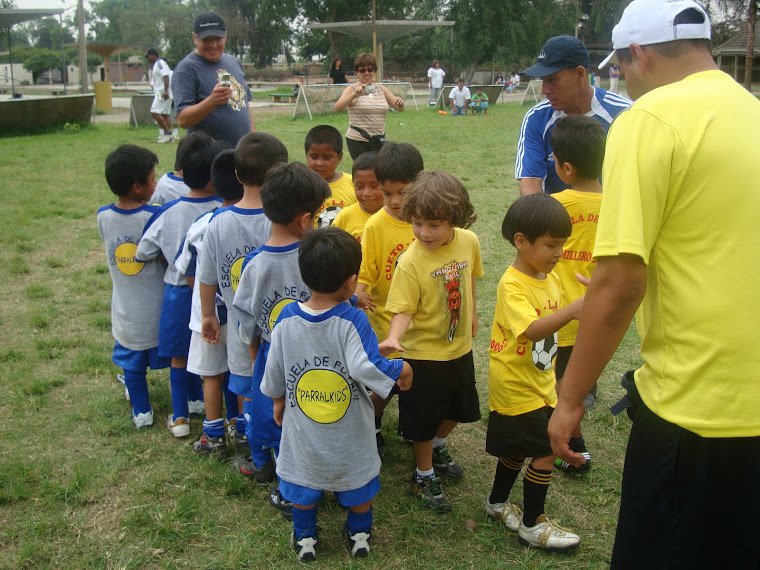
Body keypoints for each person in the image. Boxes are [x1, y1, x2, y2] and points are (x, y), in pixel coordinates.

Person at [547, 0, 760, 567]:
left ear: (637, 54)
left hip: (696, 407)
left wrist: (570, 399)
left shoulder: (651, 118)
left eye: (622, 68)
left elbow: (619, 283)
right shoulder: (751, 110)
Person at [261, 227, 413, 562]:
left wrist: (277, 398)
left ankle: (305, 537)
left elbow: (275, 367)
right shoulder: (353, 320)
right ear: (350, 281)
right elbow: (366, 366)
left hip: (303, 424)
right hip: (348, 428)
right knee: (357, 481)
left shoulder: (286, 318)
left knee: (304, 481)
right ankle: (359, 532)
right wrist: (400, 369)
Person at [379, 170, 483, 512]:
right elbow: (403, 309)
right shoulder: (410, 261)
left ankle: (438, 445)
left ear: (455, 218)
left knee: (459, 410)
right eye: (418, 223)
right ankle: (422, 475)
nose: (424, 232)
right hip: (422, 355)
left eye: (434, 224)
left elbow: (469, 280)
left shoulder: (468, 241)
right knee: (422, 422)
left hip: (459, 350)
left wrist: (474, 316)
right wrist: (394, 336)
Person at [233, 162, 330, 519]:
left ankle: (288, 485)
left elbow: (246, 320)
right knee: (315, 415)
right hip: (318, 358)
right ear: (304, 220)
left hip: (272, 358)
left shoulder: (254, 266)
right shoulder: (317, 255)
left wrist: (256, 352)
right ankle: (320, 478)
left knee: (275, 419)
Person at [486, 193, 582, 551]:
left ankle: (496, 503)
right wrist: (572, 310)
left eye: (563, 245)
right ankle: (533, 524)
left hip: (540, 383)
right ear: (521, 242)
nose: (559, 253)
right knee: (545, 450)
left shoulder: (548, 277)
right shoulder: (513, 284)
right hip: (515, 384)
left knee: (518, 449)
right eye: (552, 245)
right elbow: (531, 330)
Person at [196, 132, 288, 480]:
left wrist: (208, 315)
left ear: (236, 175)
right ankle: (278, 450)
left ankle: (257, 454)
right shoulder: (280, 218)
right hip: (279, 325)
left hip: (239, 329)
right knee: (280, 391)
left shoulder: (218, 223)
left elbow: (206, 277)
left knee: (250, 391)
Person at [136, 132, 224, 438]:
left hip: (177, 293)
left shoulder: (168, 211)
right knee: (216, 352)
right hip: (214, 298)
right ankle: (213, 406)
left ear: (182, 173)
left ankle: (181, 418)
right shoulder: (223, 210)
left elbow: (143, 251)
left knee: (178, 355)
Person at [354, 142, 423, 458]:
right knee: (387, 380)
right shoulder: (375, 225)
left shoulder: (428, 220)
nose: (395, 201)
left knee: (418, 379)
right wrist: (358, 293)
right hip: (385, 320)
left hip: (422, 320)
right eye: (387, 193)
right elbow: (366, 269)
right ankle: (371, 419)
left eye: (403, 192)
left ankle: (416, 430)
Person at [175, 149, 244, 459]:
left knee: (211, 376)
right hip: (243, 314)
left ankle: (213, 436)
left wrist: (208, 305)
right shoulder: (259, 221)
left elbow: (187, 269)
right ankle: (244, 431)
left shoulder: (204, 223)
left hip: (208, 315)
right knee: (243, 374)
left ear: (214, 186)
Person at [547, 115, 605, 477]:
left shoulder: (554, 206)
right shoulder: (619, 206)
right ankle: (575, 439)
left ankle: (569, 442)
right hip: (597, 315)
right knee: (581, 383)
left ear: (565, 167)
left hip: (558, 312)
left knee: (556, 383)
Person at [98, 145, 169, 429]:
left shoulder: (103, 216)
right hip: (159, 312)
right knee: (175, 358)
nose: (156, 183)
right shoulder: (155, 216)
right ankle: (191, 399)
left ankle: (142, 412)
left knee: (133, 367)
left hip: (126, 314)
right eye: (153, 179)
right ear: (138, 187)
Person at [515, 35, 630, 196]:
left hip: (609, 218)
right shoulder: (537, 117)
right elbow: (531, 182)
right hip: (554, 219)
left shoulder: (623, 114)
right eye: (543, 80)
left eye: (552, 79)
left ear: (580, 74)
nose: (544, 90)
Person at [171, 11, 255, 148]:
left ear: (225, 37)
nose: (213, 44)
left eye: (217, 38)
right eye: (207, 39)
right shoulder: (186, 69)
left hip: (241, 156)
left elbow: (245, 105)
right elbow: (183, 119)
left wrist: (252, 140)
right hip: (209, 159)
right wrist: (212, 102)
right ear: (195, 38)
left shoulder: (233, 62)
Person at [335, 53, 404, 160]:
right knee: (364, 172)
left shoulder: (381, 89)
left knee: (380, 171)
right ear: (357, 72)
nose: (366, 73)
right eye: (362, 70)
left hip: (379, 139)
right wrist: (355, 95)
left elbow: (399, 108)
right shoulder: (352, 89)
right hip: (358, 139)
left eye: (370, 69)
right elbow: (338, 107)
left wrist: (400, 103)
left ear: (374, 71)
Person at [304, 125, 356, 228]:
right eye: (314, 157)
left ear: (339, 158)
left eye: (326, 158)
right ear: (306, 155)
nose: (319, 163)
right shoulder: (301, 186)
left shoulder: (353, 184)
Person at [332, 151, 383, 241]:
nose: (366, 193)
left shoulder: (395, 216)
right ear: (353, 184)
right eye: (359, 187)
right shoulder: (344, 217)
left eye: (374, 186)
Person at [145, 48, 175, 144]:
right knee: (165, 114)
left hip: (162, 93)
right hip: (164, 92)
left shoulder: (159, 63)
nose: (148, 59)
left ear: (153, 55)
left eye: (148, 56)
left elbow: (165, 77)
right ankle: (168, 137)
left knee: (154, 112)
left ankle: (168, 133)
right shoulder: (158, 64)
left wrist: (165, 91)